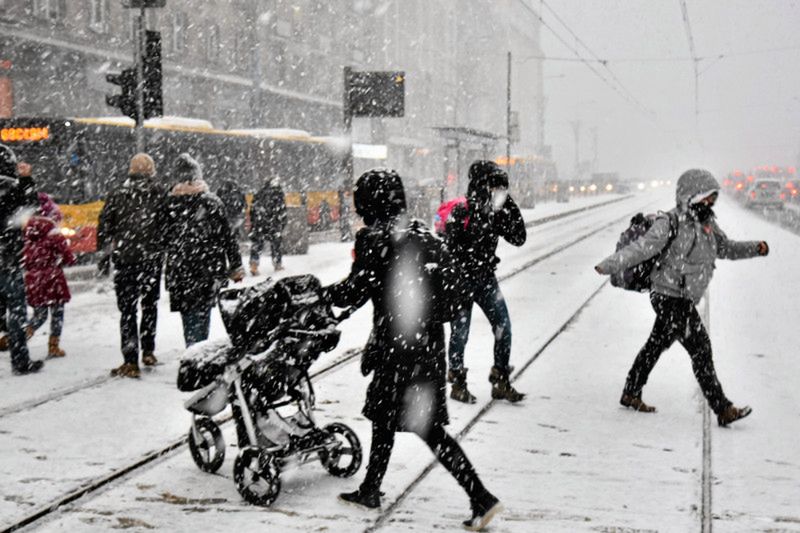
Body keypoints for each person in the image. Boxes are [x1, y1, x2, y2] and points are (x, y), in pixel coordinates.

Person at [324, 168, 502, 531]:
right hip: (425, 346)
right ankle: (372, 488)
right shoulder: (421, 234)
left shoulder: (376, 239)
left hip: (397, 349)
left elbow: (356, 291)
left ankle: (481, 497)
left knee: (426, 429)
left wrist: (321, 294)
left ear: (369, 202)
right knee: (386, 417)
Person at [595, 169, 769, 427]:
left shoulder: (708, 226)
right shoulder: (670, 222)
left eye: (713, 199)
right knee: (701, 349)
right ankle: (722, 408)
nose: (710, 204)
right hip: (667, 296)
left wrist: (755, 248)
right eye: (706, 198)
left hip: (683, 297)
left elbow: (726, 248)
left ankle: (631, 392)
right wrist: (610, 264)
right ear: (691, 196)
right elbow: (642, 248)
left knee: (656, 344)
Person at [444, 160, 527, 403]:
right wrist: (469, 263)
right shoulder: (462, 211)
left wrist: (507, 202)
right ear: (483, 185)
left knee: (504, 327)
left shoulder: (497, 211)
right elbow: (450, 249)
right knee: (460, 333)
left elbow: (519, 237)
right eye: (496, 186)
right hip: (461, 282)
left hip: (485, 280)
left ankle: (501, 379)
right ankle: (458, 383)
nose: (500, 192)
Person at [97, 153, 166, 378]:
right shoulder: (159, 194)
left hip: (126, 261)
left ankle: (130, 360)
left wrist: (104, 259)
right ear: (151, 171)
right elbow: (167, 227)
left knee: (127, 311)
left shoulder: (118, 195)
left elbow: (104, 229)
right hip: (151, 262)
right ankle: (148, 350)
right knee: (150, 305)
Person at [164, 153, 244, 347]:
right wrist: (235, 266)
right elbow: (227, 237)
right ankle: (198, 351)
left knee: (188, 316)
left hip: (181, 270)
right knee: (203, 314)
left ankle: (192, 348)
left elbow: (163, 239)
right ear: (197, 175)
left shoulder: (169, 203)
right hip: (208, 269)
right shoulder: (212, 202)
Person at [0, 144, 43, 374]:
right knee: (16, 313)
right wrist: (27, 180)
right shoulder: (13, 188)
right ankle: (20, 360)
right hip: (7, 260)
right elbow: (32, 208)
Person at [22, 192, 76, 358]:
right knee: (57, 312)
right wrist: (69, 259)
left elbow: (22, 258)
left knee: (40, 314)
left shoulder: (25, 231)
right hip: (53, 277)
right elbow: (68, 256)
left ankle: (20, 338)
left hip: (33, 277)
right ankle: (53, 346)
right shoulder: (52, 230)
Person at [249, 177, 287, 274]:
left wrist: (254, 222)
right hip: (273, 223)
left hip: (259, 223)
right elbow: (282, 211)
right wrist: (282, 224)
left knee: (257, 244)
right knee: (276, 245)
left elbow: (252, 209)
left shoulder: (259, 193)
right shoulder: (278, 194)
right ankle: (277, 264)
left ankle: (254, 265)